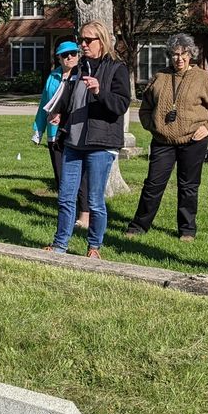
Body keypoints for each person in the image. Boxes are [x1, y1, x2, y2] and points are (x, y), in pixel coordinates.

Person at [126, 33, 208, 242]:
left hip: (193, 141)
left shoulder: (202, 78)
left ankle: (187, 229)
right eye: (174, 55)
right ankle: (139, 225)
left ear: (191, 55)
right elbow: (145, 107)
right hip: (163, 142)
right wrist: (152, 126)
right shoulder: (160, 77)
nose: (178, 59)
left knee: (188, 186)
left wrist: (207, 128)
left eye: (183, 54)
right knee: (153, 185)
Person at [43, 22, 130, 258]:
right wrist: (59, 114)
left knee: (94, 201)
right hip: (73, 141)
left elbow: (121, 105)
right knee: (66, 197)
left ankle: (94, 247)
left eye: (88, 40)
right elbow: (69, 98)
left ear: (101, 41)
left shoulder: (116, 68)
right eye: (81, 39)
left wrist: (99, 92)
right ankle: (60, 245)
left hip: (100, 144)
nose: (82, 44)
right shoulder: (79, 67)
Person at [32, 41, 90, 229]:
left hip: (76, 133)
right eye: (65, 55)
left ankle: (85, 215)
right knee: (61, 176)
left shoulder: (84, 75)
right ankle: (67, 214)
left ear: (78, 55)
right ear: (58, 57)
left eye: (73, 53)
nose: (69, 58)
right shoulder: (53, 77)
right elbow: (44, 105)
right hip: (54, 134)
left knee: (80, 176)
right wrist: (38, 129)